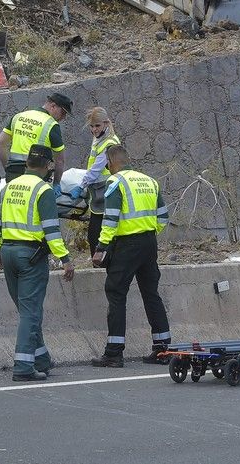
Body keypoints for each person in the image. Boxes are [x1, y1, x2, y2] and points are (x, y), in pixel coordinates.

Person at [0, 144, 76, 382]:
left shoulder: (8, 188)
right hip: (31, 257)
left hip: (7, 253)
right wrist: (65, 258)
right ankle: (23, 367)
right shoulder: (43, 191)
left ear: (26, 163)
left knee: (26, 311)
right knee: (31, 313)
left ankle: (41, 359)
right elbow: (51, 231)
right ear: (48, 166)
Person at [89, 145, 172, 368]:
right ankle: (163, 349)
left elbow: (110, 219)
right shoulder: (150, 181)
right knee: (151, 293)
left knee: (116, 293)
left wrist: (101, 246)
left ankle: (114, 353)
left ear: (110, 162)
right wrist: (149, 232)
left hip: (126, 245)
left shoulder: (115, 182)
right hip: (148, 243)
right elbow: (163, 217)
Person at [70, 107, 121, 255]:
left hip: (106, 191)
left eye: (97, 126)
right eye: (91, 126)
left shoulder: (109, 143)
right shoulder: (99, 138)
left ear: (106, 123)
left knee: (96, 234)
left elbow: (96, 169)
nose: (94, 129)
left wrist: (81, 186)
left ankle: (102, 262)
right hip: (98, 192)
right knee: (95, 233)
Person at [0, 92, 71, 179]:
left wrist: (8, 169)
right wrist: (57, 183)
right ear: (53, 106)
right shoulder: (51, 125)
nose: (64, 117)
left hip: (13, 173)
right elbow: (60, 160)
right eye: (63, 113)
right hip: (36, 176)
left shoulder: (18, 117)